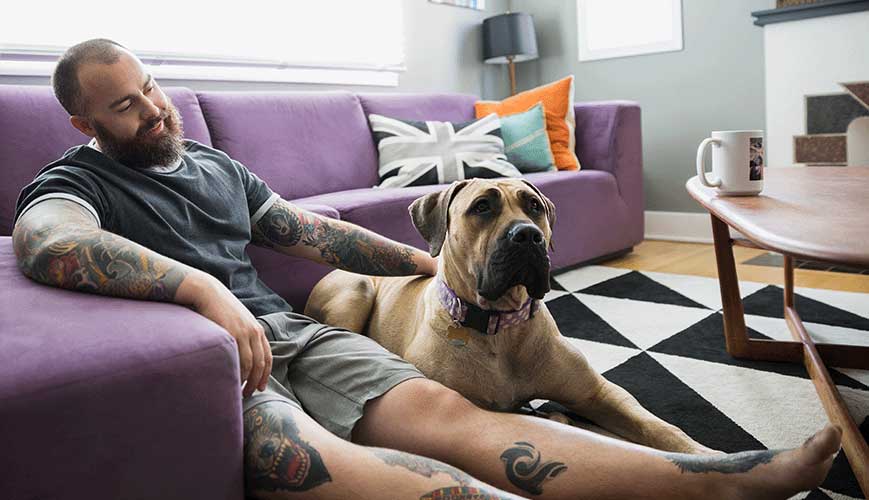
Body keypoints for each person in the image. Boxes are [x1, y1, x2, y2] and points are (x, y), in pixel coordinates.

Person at [12, 39, 841, 500]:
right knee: (336, 468)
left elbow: (310, 235)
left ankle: (713, 483)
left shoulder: (215, 167)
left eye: (150, 88)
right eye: (125, 104)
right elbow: (45, 242)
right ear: (84, 119)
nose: (153, 108)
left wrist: (428, 262)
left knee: (459, 421)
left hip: (297, 333)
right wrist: (203, 292)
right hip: (214, 356)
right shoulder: (77, 183)